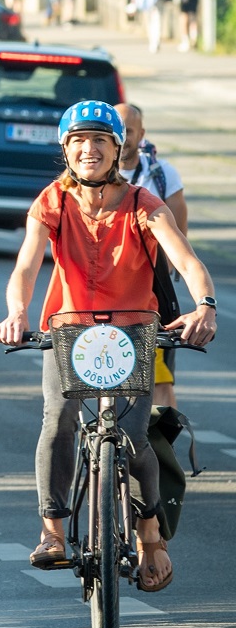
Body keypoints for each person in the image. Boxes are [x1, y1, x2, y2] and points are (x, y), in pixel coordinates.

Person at [0, 100, 217, 593]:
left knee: (133, 437)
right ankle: (53, 530)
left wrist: (205, 304)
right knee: (59, 419)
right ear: (65, 150)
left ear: (118, 148)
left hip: (135, 330)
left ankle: (151, 535)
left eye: (99, 141)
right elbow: (27, 266)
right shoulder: (52, 201)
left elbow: (187, 258)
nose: (88, 149)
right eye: (77, 141)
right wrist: (17, 313)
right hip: (67, 330)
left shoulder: (142, 203)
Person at [115, 103, 189, 409]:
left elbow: (180, 239)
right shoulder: (87, 173)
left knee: (160, 382)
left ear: (141, 134)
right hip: (101, 295)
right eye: (115, 130)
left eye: (128, 131)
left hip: (149, 298)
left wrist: (154, 277)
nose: (121, 137)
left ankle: (163, 451)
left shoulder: (161, 175)